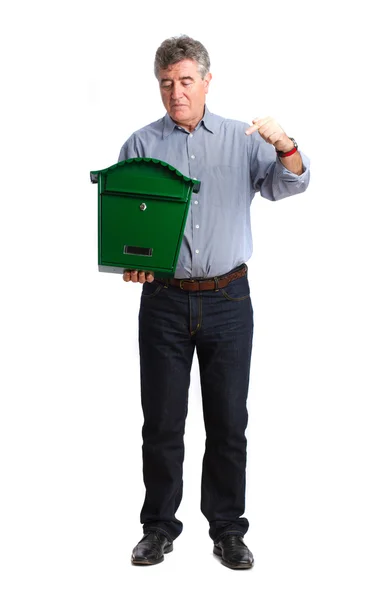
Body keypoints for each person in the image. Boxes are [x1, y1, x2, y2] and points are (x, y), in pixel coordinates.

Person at [118, 35, 310, 569]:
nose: (175, 92)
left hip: (229, 299)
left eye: (184, 81)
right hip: (163, 301)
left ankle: (227, 529)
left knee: (228, 420)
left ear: (206, 81)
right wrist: (131, 263)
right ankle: (158, 526)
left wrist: (286, 143)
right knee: (161, 422)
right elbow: (127, 229)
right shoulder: (138, 144)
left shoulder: (242, 139)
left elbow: (291, 184)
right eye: (165, 83)